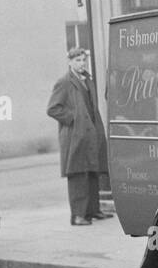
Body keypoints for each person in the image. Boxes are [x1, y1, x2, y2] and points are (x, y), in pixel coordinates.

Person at [47, 47, 111, 226]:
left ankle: (93, 211)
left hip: (90, 134)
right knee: (77, 176)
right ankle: (78, 216)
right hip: (75, 136)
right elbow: (52, 108)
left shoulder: (87, 79)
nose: (81, 63)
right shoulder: (64, 82)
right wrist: (73, 118)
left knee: (92, 173)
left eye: (83, 60)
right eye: (77, 60)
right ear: (70, 62)